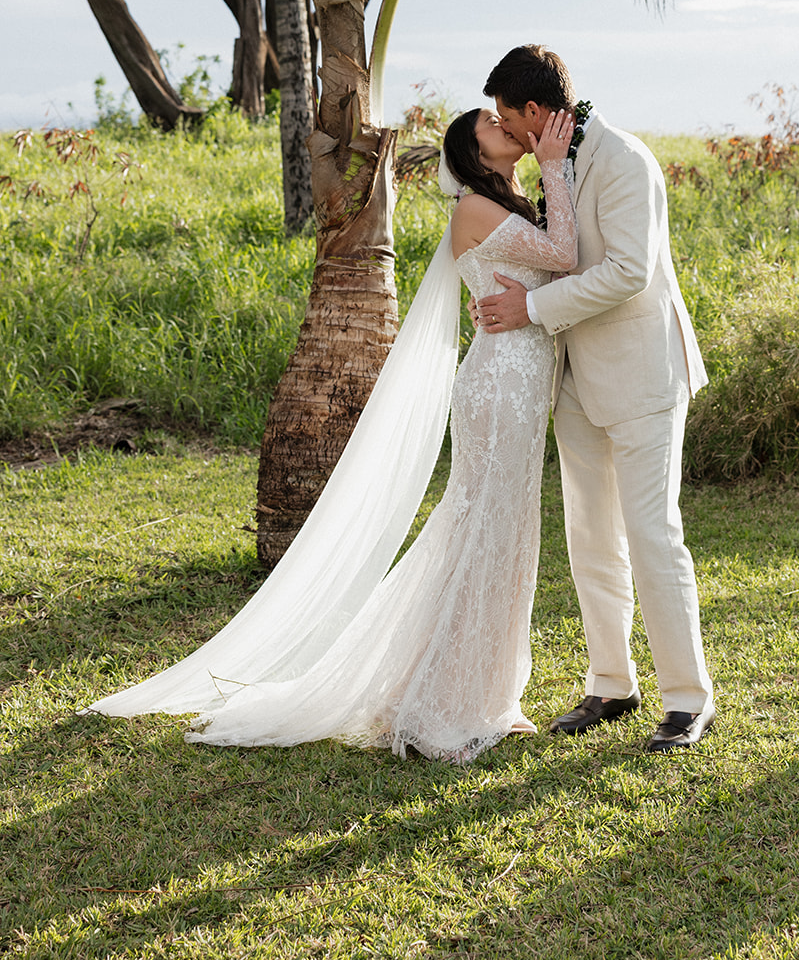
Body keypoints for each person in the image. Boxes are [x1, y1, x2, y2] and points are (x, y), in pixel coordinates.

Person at [84, 107, 578, 764]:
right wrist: (553, 165)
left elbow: (560, 267)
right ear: (471, 150)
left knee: (506, 532)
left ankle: (486, 693)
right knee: (481, 528)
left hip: (521, 383)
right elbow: (568, 255)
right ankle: (438, 701)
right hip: (497, 388)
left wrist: (550, 181)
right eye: (488, 121)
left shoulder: (510, 203)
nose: (500, 121)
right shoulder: (471, 211)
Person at [478, 46, 714, 752]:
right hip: (573, 375)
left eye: (502, 115)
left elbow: (628, 272)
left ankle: (686, 700)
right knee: (589, 539)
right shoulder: (548, 164)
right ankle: (610, 685)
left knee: (651, 536)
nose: (499, 126)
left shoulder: (623, 160)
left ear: (533, 112)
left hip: (641, 373)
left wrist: (532, 308)